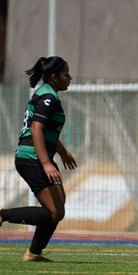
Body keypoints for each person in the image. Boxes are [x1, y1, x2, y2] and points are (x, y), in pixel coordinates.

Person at [0, 56, 77, 262]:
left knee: (58, 207)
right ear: (53, 77)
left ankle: (34, 253)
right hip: (32, 159)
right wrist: (45, 163)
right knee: (54, 212)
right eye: (65, 73)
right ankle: (3, 216)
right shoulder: (48, 98)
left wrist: (62, 152)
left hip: (37, 157)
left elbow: (47, 131)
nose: (69, 77)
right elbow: (36, 129)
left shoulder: (47, 94)